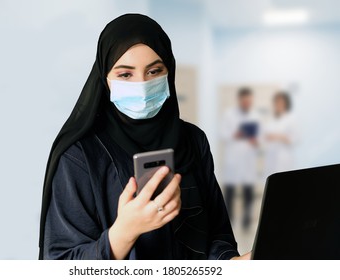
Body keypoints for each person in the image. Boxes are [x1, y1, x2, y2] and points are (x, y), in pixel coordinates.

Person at [39, 14, 249, 260]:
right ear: (104, 79)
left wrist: (235, 263)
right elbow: (61, 261)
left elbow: (216, 235)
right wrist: (124, 233)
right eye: (125, 75)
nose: (142, 84)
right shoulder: (80, 156)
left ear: (168, 72)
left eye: (154, 71)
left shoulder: (193, 140)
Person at [220, 88, 260, 230]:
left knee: (248, 192)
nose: (247, 103)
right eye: (245, 100)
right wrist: (235, 134)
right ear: (240, 100)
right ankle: (228, 222)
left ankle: (246, 221)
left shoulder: (255, 116)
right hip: (234, 159)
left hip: (248, 160)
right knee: (230, 192)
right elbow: (223, 134)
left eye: (249, 100)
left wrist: (255, 141)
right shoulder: (229, 114)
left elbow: (259, 137)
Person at [263, 92, 297, 177]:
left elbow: (295, 139)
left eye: (280, 102)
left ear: (285, 104)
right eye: (276, 102)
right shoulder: (271, 120)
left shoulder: (291, 119)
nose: (278, 105)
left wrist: (279, 137)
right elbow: (264, 137)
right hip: (271, 159)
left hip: (284, 159)